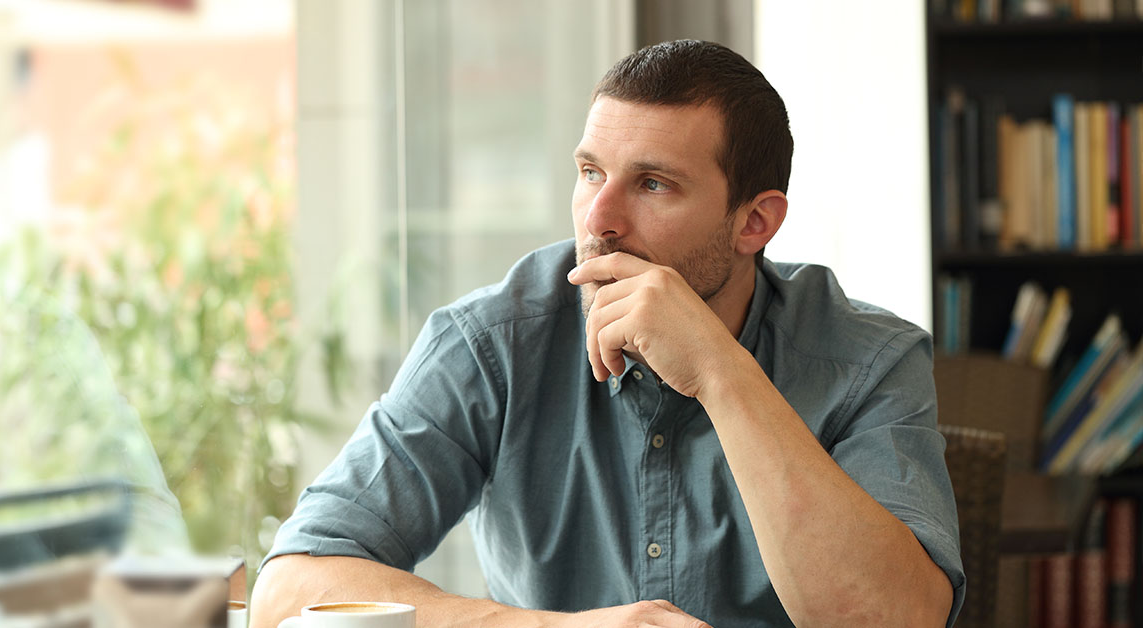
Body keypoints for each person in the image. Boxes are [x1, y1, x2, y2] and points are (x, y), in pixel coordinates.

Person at [251, 40, 963, 627]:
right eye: (590, 172)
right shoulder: (494, 342)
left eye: (653, 184)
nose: (598, 219)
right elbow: (287, 590)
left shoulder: (869, 358)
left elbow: (900, 619)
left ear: (756, 222)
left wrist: (721, 371)